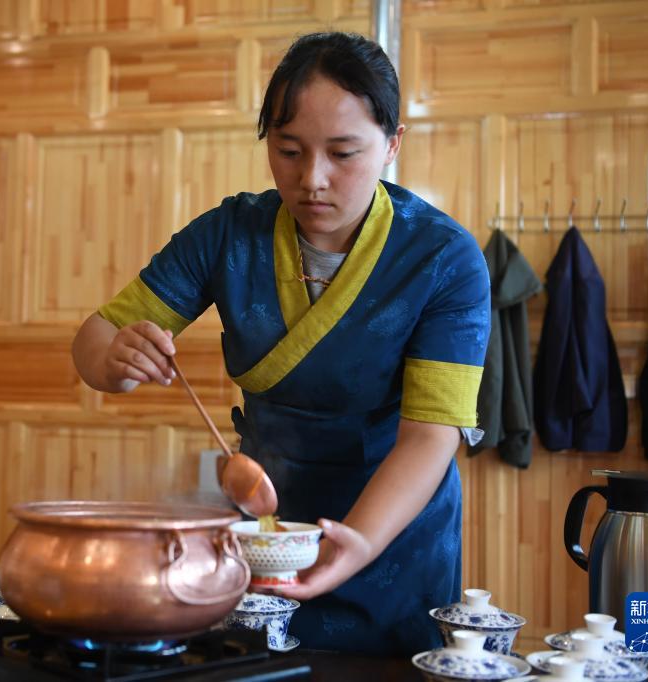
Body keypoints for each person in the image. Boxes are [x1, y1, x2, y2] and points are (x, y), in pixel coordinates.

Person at [71, 31, 490, 656]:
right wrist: (113, 360)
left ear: (392, 144)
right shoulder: (228, 234)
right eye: (288, 150)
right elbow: (95, 336)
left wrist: (360, 541)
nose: (312, 179)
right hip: (266, 528)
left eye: (343, 153)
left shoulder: (443, 258)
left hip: (392, 532)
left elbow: (432, 435)